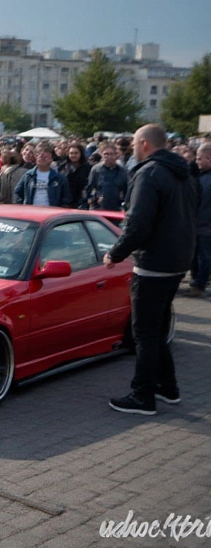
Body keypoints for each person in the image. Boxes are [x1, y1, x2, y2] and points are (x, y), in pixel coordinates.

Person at [104, 125, 198, 415]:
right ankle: (167, 387)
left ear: (144, 144)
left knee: (143, 332)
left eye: (133, 142)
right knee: (156, 329)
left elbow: (138, 223)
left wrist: (115, 253)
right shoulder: (185, 173)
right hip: (177, 262)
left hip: (154, 264)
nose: (130, 147)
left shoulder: (149, 173)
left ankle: (142, 395)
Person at [190, 144, 211, 298]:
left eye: (199, 158)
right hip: (198, 224)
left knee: (204, 257)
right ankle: (196, 281)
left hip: (205, 226)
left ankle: (199, 283)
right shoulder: (200, 176)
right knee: (195, 255)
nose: (196, 161)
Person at [86, 143, 128, 211]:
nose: (109, 156)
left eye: (111, 154)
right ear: (101, 154)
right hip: (98, 208)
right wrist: (93, 198)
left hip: (116, 208)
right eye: (106, 154)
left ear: (115, 155)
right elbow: (89, 188)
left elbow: (126, 191)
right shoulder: (95, 170)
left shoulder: (122, 171)